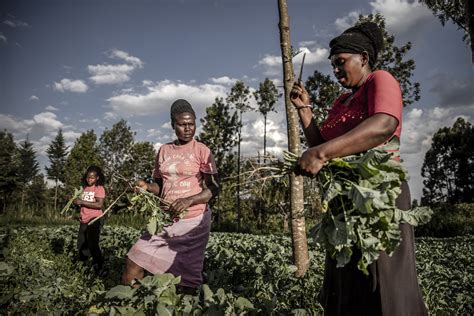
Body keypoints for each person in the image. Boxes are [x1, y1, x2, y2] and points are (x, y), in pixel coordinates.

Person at [290, 22, 427, 315]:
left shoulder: (380, 80)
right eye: (333, 65)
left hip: (378, 196)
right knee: (347, 282)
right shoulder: (342, 101)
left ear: (363, 58)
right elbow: (323, 143)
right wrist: (305, 110)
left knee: (384, 283)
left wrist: (321, 153)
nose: (336, 71)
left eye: (341, 63)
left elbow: (383, 125)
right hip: (345, 202)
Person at [122, 99, 219, 294]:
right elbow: (160, 185)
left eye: (191, 124)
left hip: (193, 222)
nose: (187, 128)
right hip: (165, 221)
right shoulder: (164, 151)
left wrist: (189, 200)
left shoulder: (202, 150)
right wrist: (146, 187)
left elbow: (214, 188)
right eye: (182, 124)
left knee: (186, 281)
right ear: (173, 125)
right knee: (134, 261)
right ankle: (130, 304)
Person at [74, 165, 107, 277]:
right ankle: (84, 267)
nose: (89, 180)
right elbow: (82, 203)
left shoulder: (99, 188)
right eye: (88, 177)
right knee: (81, 244)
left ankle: (100, 267)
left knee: (93, 244)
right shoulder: (84, 188)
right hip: (84, 219)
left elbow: (99, 204)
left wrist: (82, 202)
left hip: (95, 219)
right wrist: (76, 202)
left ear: (97, 178)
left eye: (92, 178)